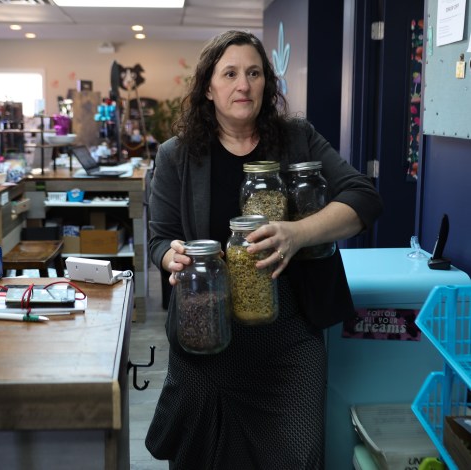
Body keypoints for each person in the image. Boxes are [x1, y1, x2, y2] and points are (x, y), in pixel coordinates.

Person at [145, 30, 383, 469]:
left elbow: (363, 197)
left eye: (254, 73)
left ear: (267, 84)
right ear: (209, 88)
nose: (243, 85)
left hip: (289, 336)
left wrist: (298, 233)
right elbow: (159, 238)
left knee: (295, 453)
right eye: (230, 73)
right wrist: (171, 255)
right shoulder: (176, 156)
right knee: (205, 457)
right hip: (208, 333)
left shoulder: (297, 139)